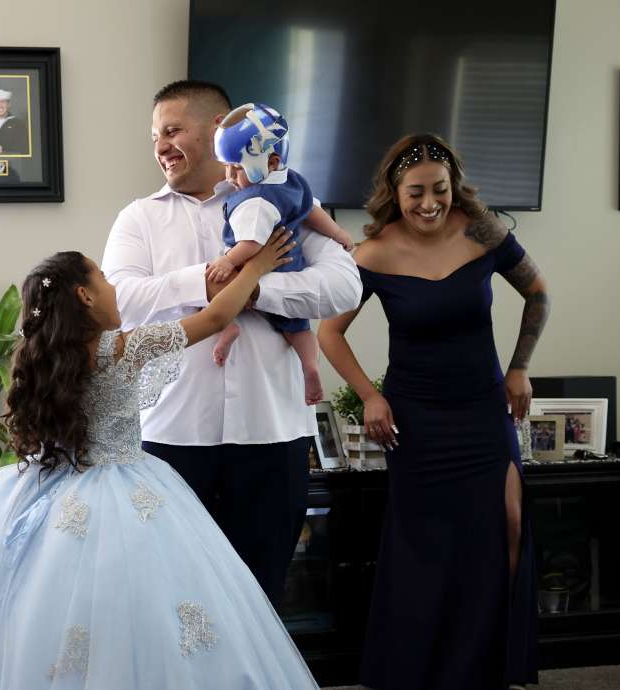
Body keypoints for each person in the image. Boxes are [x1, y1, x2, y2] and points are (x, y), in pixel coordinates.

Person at [0, 235, 318, 689]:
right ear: (85, 296)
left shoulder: (40, 358)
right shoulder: (121, 348)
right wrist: (256, 266)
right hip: (126, 488)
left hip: (40, 486)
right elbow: (215, 318)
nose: (113, 286)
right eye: (104, 278)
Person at [101, 80, 362, 606]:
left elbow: (344, 287)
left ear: (219, 129)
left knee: (261, 597)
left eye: (172, 131)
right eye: (155, 137)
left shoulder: (282, 195)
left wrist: (255, 289)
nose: (161, 147)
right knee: (171, 599)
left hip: (273, 434)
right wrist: (207, 284)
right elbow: (118, 302)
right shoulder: (139, 218)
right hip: (171, 437)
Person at [318, 134, 550, 690]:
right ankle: (423, 671)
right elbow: (329, 333)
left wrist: (519, 367)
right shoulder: (371, 254)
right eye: (416, 192)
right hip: (418, 419)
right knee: (428, 547)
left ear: (454, 186)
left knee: (508, 523)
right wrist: (371, 396)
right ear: (394, 193)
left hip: (483, 408)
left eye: (439, 190)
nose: (429, 203)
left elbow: (538, 293)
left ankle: (490, 665)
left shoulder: (484, 231)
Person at [207, 102, 355, 404]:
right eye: (228, 166)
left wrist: (227, 261)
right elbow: (311, 211)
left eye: (238, 168)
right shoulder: (292, 180)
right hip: (291, 265)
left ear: (272, 161)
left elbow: (251, 245)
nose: (230, 176)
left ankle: (229, 329)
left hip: (258, 267)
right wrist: (337, 232)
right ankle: (310, 365)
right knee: (298, 330)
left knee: (216, 297)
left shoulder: (256, 201)